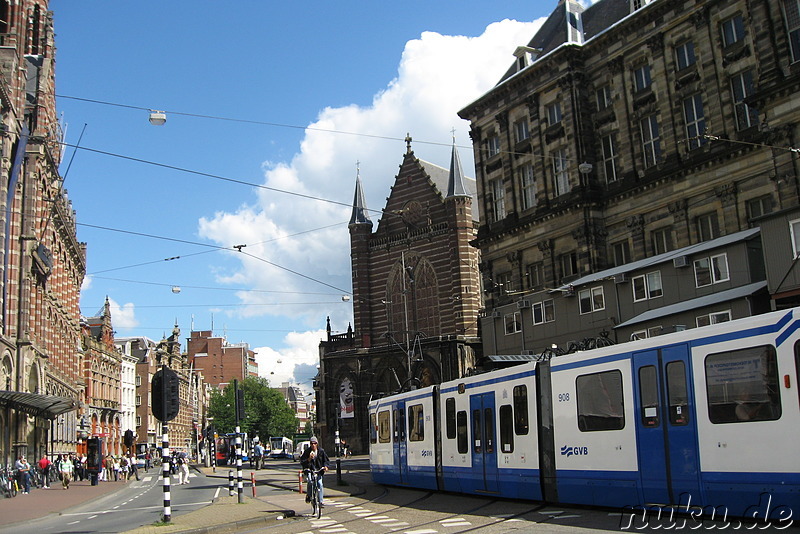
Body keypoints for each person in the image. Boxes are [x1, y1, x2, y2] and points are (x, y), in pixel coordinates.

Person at [299, 437, 329, 507]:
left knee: (320, 483)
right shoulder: (307, 452)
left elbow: (326, 460)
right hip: (310, 469)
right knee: (310, 481)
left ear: (317, 444)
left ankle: (321, 501)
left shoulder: (321, 451)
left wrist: (325, 466)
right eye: (312, 443)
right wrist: (309, 459)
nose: (313, 445)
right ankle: (309, 496)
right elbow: (302, 462)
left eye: (315, 443)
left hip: (318, 470)